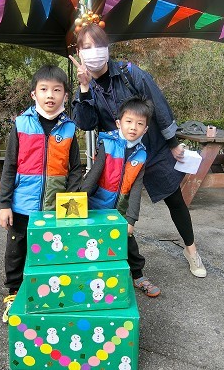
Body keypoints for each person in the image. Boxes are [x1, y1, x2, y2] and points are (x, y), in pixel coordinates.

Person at [69, 23, 207, 279]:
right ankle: (112, 260)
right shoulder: (85, 87)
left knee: (174, 199)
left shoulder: (129, 72)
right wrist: (85, 88)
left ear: (107, 48)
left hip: (152, 148)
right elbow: (86, 123)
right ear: (79, 53)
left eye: (99, 45)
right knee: (112, 205)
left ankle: (191, 250)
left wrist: (173, 142)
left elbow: (158, 105)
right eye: (87, 47)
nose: (94, 52)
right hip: (117, 157)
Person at [0, 65, 83, 323]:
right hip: (22, 206)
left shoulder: (69, 128)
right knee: (17, 251)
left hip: (56, 207)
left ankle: (49, 293)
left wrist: (71, 200)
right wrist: (4, 204)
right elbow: (9, 165)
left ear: (65, 95)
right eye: (44, 89)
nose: (50, 95)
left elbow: (75, 168)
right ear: (34, 94)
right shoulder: (21, 124)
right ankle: (14, 293)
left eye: (57, 90)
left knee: (51, 251)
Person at [81, 95, 160, 297]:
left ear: (145, 129)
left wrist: (131, 219)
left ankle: (138, 276)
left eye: (139, 124)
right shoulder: (107, 144)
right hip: (97, 207)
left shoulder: (141, 154)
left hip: (120, 211)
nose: (133, 127)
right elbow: (94, 175)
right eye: (129, 121)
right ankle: (89, 276)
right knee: (91, 243)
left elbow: (137, 189)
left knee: (129, 243)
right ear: (119, 123)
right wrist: (79, 201)